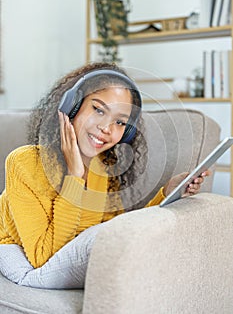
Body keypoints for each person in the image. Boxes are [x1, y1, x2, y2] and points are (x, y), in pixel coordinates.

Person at [0, 62, 210, 289]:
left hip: (67, 254)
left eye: (120, 122)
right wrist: (75, 176)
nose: (106, 128)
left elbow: (117, 230)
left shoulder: (105, 169)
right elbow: (44, 257)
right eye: (98, 110)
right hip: (16, 249)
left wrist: (167, 193)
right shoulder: (23, 161)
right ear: (72, 107)